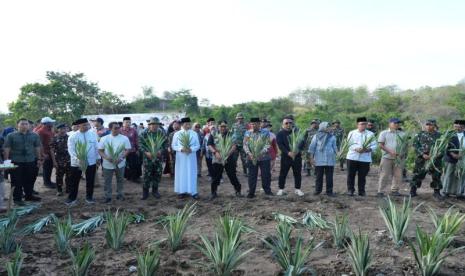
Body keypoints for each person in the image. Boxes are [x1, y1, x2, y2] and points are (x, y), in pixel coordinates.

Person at [3, 118, 42, 205]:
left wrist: (39, 159)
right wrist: (6, 161)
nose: (24, 125)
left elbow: (37, 147)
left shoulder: (34, 135)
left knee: (30, 179)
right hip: (16, 161)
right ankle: (17, 199)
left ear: (29, 125)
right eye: (22, 124)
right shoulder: (11, 136)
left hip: (30, 160)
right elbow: (7, 148)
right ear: (18, 125)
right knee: (16, 181)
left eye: (26, 124)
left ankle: (29, 195)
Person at [66, 118, 99, 206]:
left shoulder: (92, 134)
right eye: (84, 125)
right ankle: (72, 198)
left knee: (90, 180)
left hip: (91, 162)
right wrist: (78, 159)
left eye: (87, 124)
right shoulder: (73, 136)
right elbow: (71, 150)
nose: (87, 126)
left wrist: (98, 158)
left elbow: (96, 147)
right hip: (77, 163)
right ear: (78, 126)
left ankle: (89, 197)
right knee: (74, 181)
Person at [207, 120, 242, 199]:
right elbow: (209, 145)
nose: (223, 128)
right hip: (217, 158)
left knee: (232, 175)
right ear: (218, 126)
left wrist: (227, 154)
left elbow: (234, 146)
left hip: (229, 158)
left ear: (227, 126)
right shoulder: (214, 134)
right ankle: (213, 192)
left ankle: (238, 190)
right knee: (216, 176)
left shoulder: (231, 134)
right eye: (221, 126)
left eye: (224, 126)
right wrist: (215, 152)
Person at [98, 122, 131, 203]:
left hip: (120, 163)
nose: (117, 129)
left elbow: (128, 149)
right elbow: (100, 151)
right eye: (115, 128)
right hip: (107, 163)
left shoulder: (124, 138)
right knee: (107, 181)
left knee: (120, 180)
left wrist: (122, 158)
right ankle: (108, 196)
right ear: (110, 129)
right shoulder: (104, 138)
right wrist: (107, 158)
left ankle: (120, 194)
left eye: (118, 128)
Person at [410, 119, 442, 198]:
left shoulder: (440, 135)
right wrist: (422, 154)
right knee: (417, 175)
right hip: (422, 160)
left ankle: (437, 192)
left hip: (435, 160)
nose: (428, 126)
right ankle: (413, 191)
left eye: (430, 125)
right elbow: (415, 145)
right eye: (427, 124)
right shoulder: (420, 134)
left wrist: (437, 155)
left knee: (436, 176)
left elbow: (443, 147)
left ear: (434, 126)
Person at [345, 117, 377, 196]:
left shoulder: (370, 134)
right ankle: (350, 190)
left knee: (362, 176)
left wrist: (367, 149)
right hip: (352, 157)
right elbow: (348, 144)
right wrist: (356, 149)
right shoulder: (352, 133)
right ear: (357, 125)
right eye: (362, 124)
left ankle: (361, 191)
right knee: (350, 175)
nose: (363, 126)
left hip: (365, 158)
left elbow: (375, 146)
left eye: (365, 124)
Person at [243, 117, 274, 198]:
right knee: (252, 175)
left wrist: (260, 153)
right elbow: (245, 145)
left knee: (266, 175)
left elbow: (268, 144)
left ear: (259, 124)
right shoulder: (247, 133)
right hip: (251, 158)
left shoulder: (265, 132)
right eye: (252, 124)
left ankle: (267, 190)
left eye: (255, 124)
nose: (253, 125)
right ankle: (251, 192)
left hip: (264, 157)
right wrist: (249, 153)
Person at [171, 117, 201, 199]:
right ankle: (182, 191)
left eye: (189, 124)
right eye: (186, 124)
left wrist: (191, 149)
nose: (188, 125)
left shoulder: (194, 133)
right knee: (181, 173)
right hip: (181, 157)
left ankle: (193, 192)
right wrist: (181, 149)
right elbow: (173, 146)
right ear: (182, 125)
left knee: (192, 173)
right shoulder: (177, 134)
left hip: (191, 157)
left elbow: (198, 145)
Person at [140, 118, 167, 199]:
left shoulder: (161, 133)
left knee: (157, 174)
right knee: (146, 175)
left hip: (158, 158)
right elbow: (140, 144)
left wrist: (161, 151)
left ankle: (155, 191)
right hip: (147, 158)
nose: (154, 126)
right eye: (153, 124)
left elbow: (166, 144)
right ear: (149, 125)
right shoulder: (144, 133)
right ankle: (145, 192)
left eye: (156, 124)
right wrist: (146, 152)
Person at [377, 118, 405, 197]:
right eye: (395, 123)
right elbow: (381, 145)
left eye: (398, 123)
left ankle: (394, 190)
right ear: (390, 124)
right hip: (386, 157)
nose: (397, 125)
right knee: (384, 174)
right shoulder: (384, 133)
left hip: (399, 158)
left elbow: (405, 145)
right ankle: (380, 191)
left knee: (398, 175)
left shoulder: (402, 134)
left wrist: (403, 154)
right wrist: (391, 152)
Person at [276, 117, 305, 196]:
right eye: (286, 123)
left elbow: (302, 142)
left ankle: (297, 189)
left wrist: (297, 151)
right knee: (283, 173)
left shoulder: (297, 132)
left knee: (297, 173)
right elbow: (280, 145)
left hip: (297, 156)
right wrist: (287, 152)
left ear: (292, 124)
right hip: (286, 157)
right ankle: (281, 189)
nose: (288, 124)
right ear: (283, 124)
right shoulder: (280, 133)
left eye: (290, 123)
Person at [308, 122, 337, 196]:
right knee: (318, 176)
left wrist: (338, 154)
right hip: (319, 159)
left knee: (329, 177)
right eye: (327, 127)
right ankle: (318, 191)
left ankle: (329, 191)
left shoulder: (332, 136)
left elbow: (335, 147)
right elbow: (312, 147)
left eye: (329, 127)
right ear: (322, 127)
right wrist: (311, 158)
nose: (329, 128)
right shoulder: (316, 136)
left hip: (330, 159)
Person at [441, 120, 463, 198]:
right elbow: (443, 146)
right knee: (449, 174)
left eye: (459, 126)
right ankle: (445, 191)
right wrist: (452, 154)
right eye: (456, 126)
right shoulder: (449, 134)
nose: (457, 128)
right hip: (451, 157)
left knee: (460, 175)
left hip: (462, 159)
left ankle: (458, 192)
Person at [35, 116, 57, 189]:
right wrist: (43, 154)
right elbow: (39, 143)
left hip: (51, 152)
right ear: (47, 123)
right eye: (51, 122)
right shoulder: (40, 131)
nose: (52, 123)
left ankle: (48, 181)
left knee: (50, 167)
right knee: (46, 168)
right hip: (46, 153)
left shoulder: (50, 130)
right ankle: (46, 183)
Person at [50, 124, 71, 196]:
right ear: (58, 129)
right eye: (61, 129)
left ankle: (68, 189)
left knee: (69, 175)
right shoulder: (54, 138)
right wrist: (54, 161)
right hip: (59, 160)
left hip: (69, 159)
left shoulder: (70, 138)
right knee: (59, 176)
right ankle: (59, 190)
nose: (63, 130)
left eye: (65, 129)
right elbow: (52, 150)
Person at [121, 117, 141, 183]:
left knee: (134, 164)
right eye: (126, 122)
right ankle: (127, 176)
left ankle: (134, 177)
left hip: (132, 150)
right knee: (124, 164)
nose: (128, 123)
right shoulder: (120, 131)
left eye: (129, 122)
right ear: (123, 123)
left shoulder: (133, 130)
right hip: (123, 151)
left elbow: (136, 140)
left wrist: (138, 149)